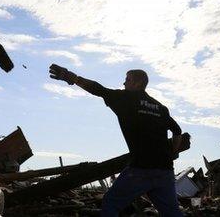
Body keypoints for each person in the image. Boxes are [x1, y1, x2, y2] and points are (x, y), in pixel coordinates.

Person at [49, 64, 183, 217]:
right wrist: (173, 152)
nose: (124, 83)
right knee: (172, 212)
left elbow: (98, 89)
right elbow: (177, 131)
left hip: (140, 169)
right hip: (165, 170)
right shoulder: (160, 108)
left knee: (111, 203)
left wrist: (72, 78)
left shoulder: (125, 99)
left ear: (138, 83)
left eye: (127, 79)